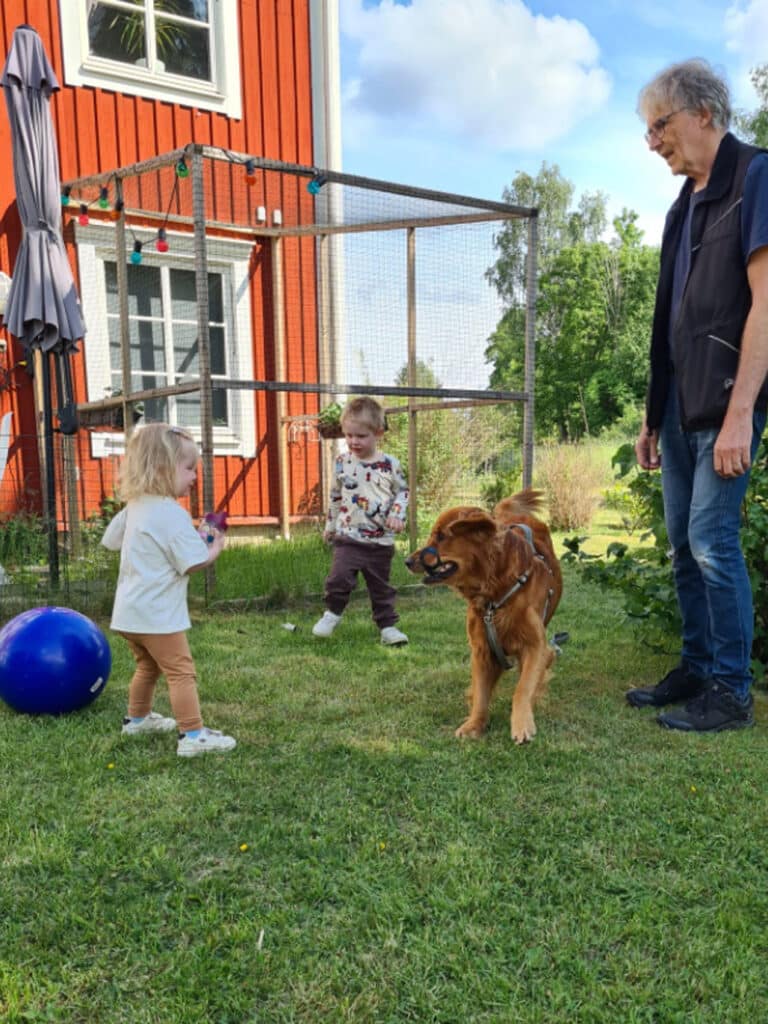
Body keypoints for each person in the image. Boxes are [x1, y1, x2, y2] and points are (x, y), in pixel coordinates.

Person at [626, 59, 768, 731]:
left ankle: (732, 691)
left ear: (705, 114)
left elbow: (765, 302)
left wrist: (743, 412)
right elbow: (668, 318)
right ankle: (696, 667)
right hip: (680, 408)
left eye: (660, 124)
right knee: (684, 544)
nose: (653, 142)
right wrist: (652, 417)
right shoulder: (682, 206)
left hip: (726, 402)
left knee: (713, 542)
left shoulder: (755, 177)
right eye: (649, 130)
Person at [101, 423, 237, 757]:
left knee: (147, 667)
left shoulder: (135, 506)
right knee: (181, 672)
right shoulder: (171, 513)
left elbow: (110, 541)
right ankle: (193, 736)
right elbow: (191, 562)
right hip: (159, 617)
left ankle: (137, 719)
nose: (194, 476)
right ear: (163, 468)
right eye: (189, 468)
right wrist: (214, 546)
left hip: (129, 615)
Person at [312, 396, 410, 646]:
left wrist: (397, 514)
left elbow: (403, 492)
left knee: (381, 588)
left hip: (381, 541)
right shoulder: (342, 463)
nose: (354, 441)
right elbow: (335, 496)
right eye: (349, 435)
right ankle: (332, 613)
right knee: (338, 578)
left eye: (361, 436)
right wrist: (330, 526)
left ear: (378, 433)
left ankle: (388, 628)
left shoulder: (390, 465)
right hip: (349, 537)